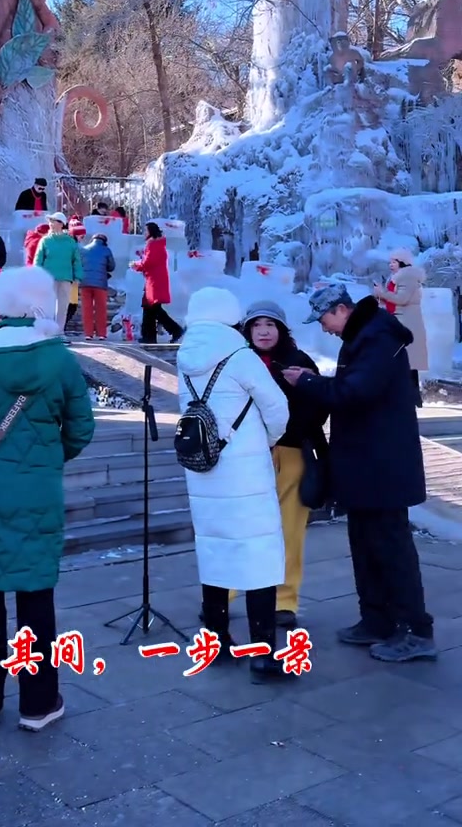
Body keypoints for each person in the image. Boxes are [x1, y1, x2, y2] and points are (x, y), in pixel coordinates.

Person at [0, 265, 95, 731]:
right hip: (39, 491)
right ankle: (38, 703)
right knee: (35, 597)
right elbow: (82, 428)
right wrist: (48, 458)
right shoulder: (60, 360)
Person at [283, 282, 435, 663]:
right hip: (366, 466)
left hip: (384, 467)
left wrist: (309, 382)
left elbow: (356, 393)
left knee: (391, 549)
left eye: (322, 319)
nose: (323, 328)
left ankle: (416, 631)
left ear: (340, 309)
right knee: (365, 546)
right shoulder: (364, 336)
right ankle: (377, 620)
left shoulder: (378, 337)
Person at [178, 288, 290, 682]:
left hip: (203, 470)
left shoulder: (184, 357)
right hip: (245, 471)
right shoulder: (240, 356)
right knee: (258, 555)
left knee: (214, 552)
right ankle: (263, 654)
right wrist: (267, 440)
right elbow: (276, 408)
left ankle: (216, 640)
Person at [242, 301, 327, 627]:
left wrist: (284, 432)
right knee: (248, 528)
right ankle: (231, 592)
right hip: (249, 458)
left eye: (271, 324)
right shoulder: (239, 362)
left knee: (289, 530)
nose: (264, 331)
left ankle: (284, 600)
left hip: (290, 454)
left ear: (282, 329)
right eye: (257, 325)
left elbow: (318, 410)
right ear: (247, 330)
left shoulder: (299, 362)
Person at [373, 248, 427, 408]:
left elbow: (402, 299)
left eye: (394, 261)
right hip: (399, 320)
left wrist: (382, 293)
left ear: (402, 262)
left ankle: (412, 397)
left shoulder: (408, 276)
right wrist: (380, 296)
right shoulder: (398, 277)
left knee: (406, 360)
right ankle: (409, 396)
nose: (391, 265)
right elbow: (394, 300)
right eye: (390, 261)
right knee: (403, 360)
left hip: (407, 322)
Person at [131, 223, 182, 345]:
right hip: (155, 280)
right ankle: (149, 336)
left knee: (154, 308)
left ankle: (175, 330)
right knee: (149, 308)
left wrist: (136, 265)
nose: (144, 233)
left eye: (145, 230)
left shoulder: (153, 244)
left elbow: (149, 262)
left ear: (151, 231)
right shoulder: (158, 244)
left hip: (154, 281)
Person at [33, 214, 83, 332]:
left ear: (61, 224)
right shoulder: (45, 241)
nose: (50, 224)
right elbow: (38, 259)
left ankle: (59, 333)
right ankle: (47, 332)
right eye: (50, 221)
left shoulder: (70, 242)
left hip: (66, 278)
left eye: (53, 221)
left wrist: (78, 276)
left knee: (62, 307)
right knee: (48, 306)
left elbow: (76, 260)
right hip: (48, 279)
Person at [80, 234, 116, 340]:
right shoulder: (106, 250)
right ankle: (101, 334)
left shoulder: (84, 250)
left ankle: (88, 334)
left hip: (85, 282)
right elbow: (112, 267)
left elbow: (79, 264)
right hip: (100, 283)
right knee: (100, 308)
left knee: (87, 309)